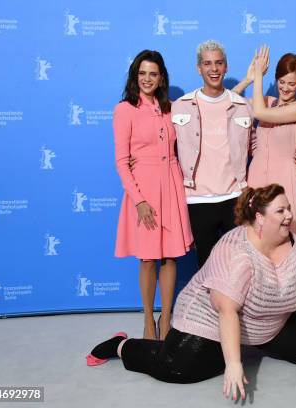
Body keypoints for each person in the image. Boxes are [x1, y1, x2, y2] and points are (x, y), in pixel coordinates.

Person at [87, 184, 296, 401]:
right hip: (208, 322)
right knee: (178, 368)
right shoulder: (236, 252)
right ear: (260, 219)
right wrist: (234, 364)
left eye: (289, 208)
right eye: (281, 211)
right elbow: (227, 311)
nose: (289, 216)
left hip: (267, 322)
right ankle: (121, 346)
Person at [113, 50, 193, 340]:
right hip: (144, 189)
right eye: (142, 73)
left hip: (171, 185)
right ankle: (148, 321)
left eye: (153, 73)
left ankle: (167, 320)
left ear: (161, 78)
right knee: (147, 259)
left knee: (171, 257)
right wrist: (140, 200)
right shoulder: (125, 109)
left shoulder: (172, 108)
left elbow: (211, 106)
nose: (147, 79)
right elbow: (122, 162)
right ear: (136, 76)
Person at [171, 40, 254, 268]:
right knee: (206, 265)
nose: (214, 69)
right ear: (199, 68)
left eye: (218, 63)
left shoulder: (243, 106)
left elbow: (256, 142)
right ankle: (209, 305)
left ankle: (234, 305)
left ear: (226, 67)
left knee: (237, 264)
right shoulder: (181, 106)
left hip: (234, 196)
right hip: (197, 198)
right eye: (207, 64)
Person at [233, 47, 296, 240]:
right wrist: (249, 78)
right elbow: (230, 103)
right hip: (257, 176)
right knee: (254, 238)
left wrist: (259, 75)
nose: (285, 88)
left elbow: (260, 113)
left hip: (284, 179)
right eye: (281, 82)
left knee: (286, 240)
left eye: (291, 83)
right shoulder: (267, 101)